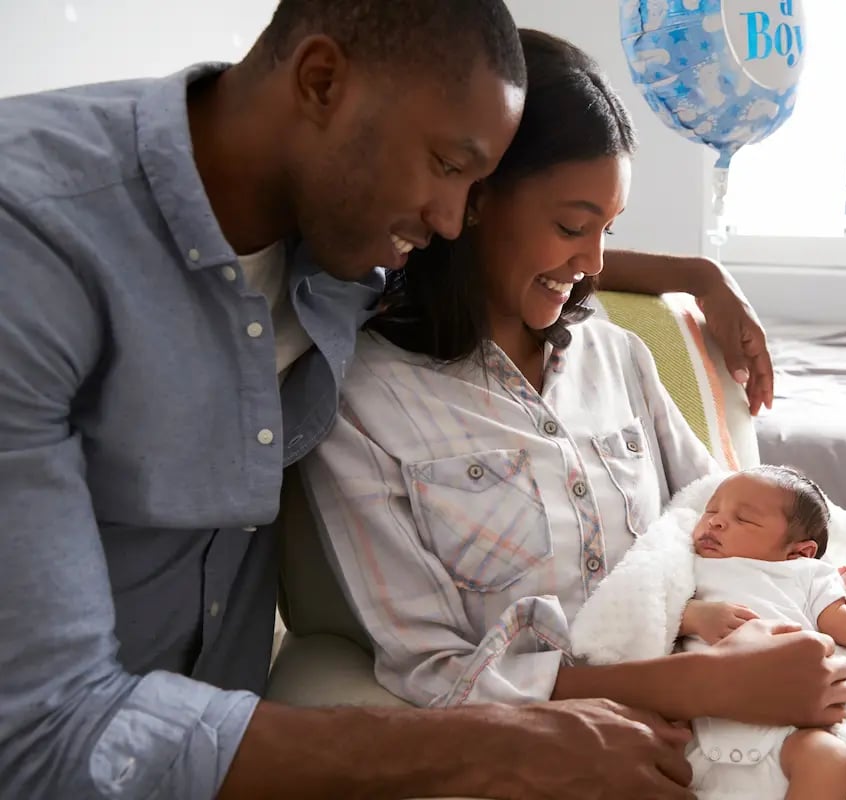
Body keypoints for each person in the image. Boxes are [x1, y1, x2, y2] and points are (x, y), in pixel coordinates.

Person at [0, 1, 803, 798]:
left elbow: (516, 254)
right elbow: (50, 732)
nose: (455, 218)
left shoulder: (347, 233)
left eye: (476, 183)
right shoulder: (34, 244)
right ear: (321, 82)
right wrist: (493, 745)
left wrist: (699, 278)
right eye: (451, 168)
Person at [302, 26, 846, 796]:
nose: (595, 263)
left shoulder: (614, 353)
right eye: (572, 226)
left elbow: (720, 522)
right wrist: (709, 689)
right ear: (474, 199)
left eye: (609, 231)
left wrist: (810, 623)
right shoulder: (366, 400)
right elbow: (436, 673)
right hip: (574, 761)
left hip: (741, 737)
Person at [680, 466, 846, 800]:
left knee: (828, 756)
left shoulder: (805, 574)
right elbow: (648, 613)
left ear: (798, 551)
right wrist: (691, 616)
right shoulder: (685, 563)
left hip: (785, 732)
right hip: (693, 724)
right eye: (711, 510)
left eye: (744, 519)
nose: (715, 522)